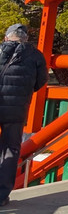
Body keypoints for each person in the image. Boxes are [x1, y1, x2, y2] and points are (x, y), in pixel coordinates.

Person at [0, 23, 48, 205]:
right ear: (25, 38)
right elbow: (41, 81)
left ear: (7, 37)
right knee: (10, 149)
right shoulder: (35, 56)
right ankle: (2, 194)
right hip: (17, 108)